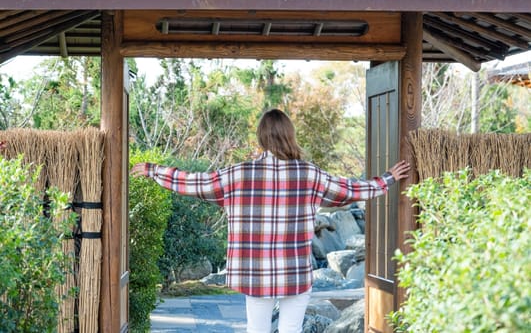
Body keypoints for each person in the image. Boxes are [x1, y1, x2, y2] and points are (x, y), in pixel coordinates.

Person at [131, 108, 410, 333]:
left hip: (255, 270)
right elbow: (350, 190)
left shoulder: (238, 174)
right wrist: (387, 178)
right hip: (296, 270)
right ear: (290, 135)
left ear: (262, 138)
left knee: (257, 328)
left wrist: (154, 171)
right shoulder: (309, 174)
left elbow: (194, 182)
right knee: (291, 329)